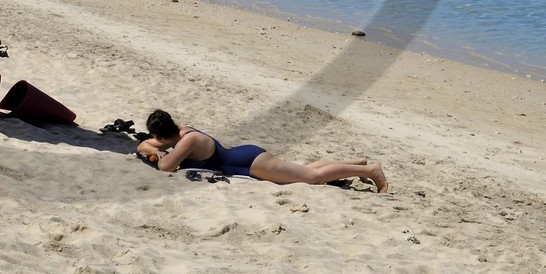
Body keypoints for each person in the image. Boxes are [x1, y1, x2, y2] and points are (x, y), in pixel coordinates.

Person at [136, 110, 387, 192]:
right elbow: (146, 146)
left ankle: (370, 170)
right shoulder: (181, 132)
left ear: (160, 134)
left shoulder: (186, 141)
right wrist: (154, 148)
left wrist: (159, 155)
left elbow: (165, 167)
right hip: (244, 159)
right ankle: (357, 162)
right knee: (306, 170)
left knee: (312, 178)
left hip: (251, 162)